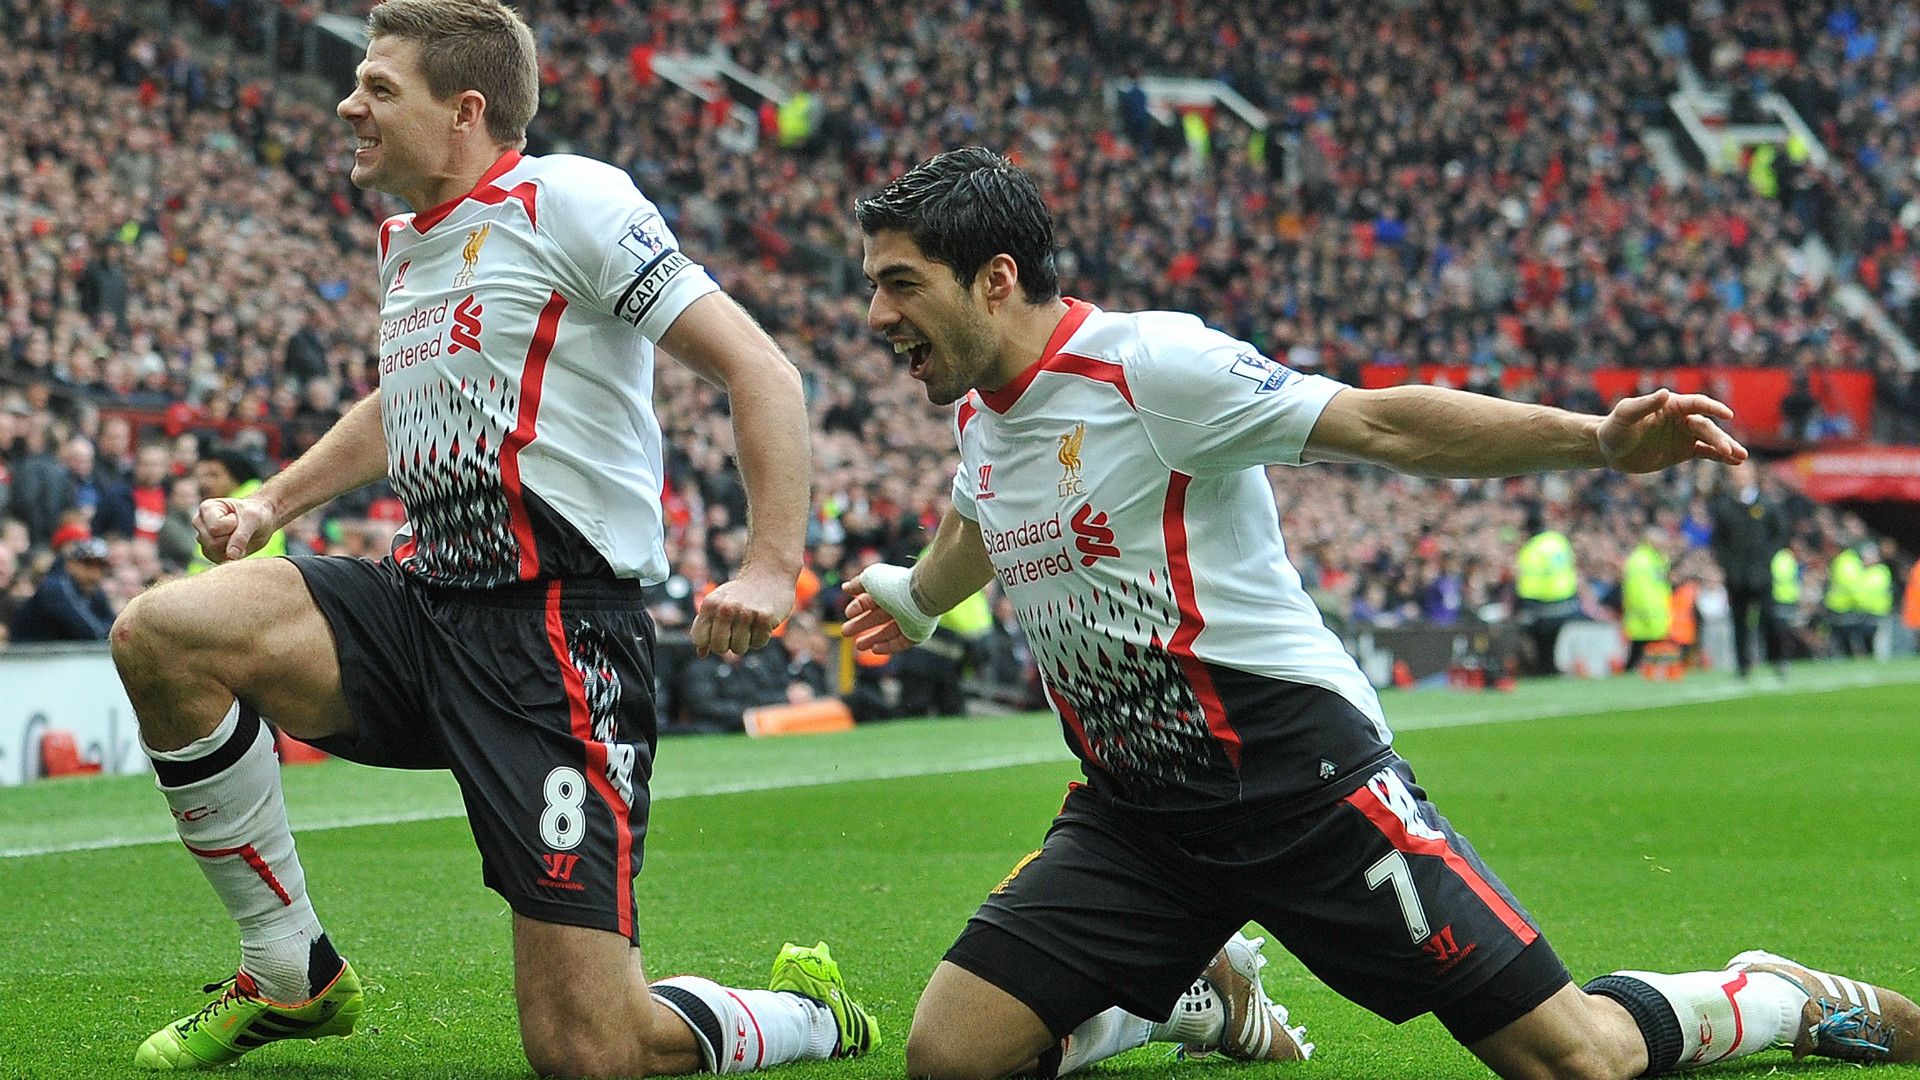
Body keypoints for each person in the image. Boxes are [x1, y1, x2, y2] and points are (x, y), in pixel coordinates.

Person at [841, 148, 1919, 1080]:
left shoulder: (1150, 366)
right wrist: (918, 598)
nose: (877, 315)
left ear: (994, 279)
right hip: (1138, 818)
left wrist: (1596, 439)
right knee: (950, 1057)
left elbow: (1385, 425)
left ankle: (1772, 997)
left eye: (899, 284)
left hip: (1302, 787)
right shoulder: (984, 413)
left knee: (1577, 1060)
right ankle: (1190, 991)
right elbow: (982, 517)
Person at [109, 3, 872, 1076]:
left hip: (557, 644)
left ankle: (810, 1016)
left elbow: (763, 370)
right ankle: (291, 972)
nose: (349, 103)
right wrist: (275, 504)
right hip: (424, 611)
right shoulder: (409, 240)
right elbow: (405, 400)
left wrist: (769, 565)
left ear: (465, 111)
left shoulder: (571, 200)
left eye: (380, 87)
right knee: (164, 632)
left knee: (588, 1052)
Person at [1708, 461, 1791, 677]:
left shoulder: (1767, 505)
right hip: (1737, 575)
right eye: (1735, 473)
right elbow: (1718, 541)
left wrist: (1766, 557)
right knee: (1739, 621)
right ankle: (1743, 665)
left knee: (1770, 618)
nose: (1740, 477)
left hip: (1762, 574)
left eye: (1743, 472)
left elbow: (1781, 534)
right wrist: (1727, 565)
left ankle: (1778, 660)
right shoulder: (1724, 506)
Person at [187, 446, 286, 572]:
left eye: (214, 475)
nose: (205, 483)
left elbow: (249, 570)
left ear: (236, 477)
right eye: (202, 476)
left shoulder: (249, 513)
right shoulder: (223, 508)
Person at [9, 528, 115, 643]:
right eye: (87, 564)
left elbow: (114, 629)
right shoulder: (54, 589)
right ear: (71, 564)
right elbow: (92, 633)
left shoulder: (94, 591)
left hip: (60, 657)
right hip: (27, 657)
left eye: (100, 567)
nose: (94, 573)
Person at [1513, 507, 1579, 675]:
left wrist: (1524, 604)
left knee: (1540, 640)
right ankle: (1550, 667)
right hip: (1567, 596)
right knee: (1552, 641)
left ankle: (1544, 668)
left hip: (1545, 601)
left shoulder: (1532, 548)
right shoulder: (1558, 540)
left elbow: (1529, 581)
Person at [1620, 527, 1672, 674]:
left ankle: (1645, 672)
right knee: (1640, 649)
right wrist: (1647, 610)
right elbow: (1638, 589)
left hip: (1656, 612)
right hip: (1646, 614)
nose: (1664, 542)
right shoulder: (1640, 561)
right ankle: (1631, 672)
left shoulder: (1656, 558)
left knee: (1647, 650)